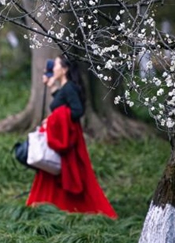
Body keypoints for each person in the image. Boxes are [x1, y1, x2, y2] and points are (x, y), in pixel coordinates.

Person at [27, 55, 117, 219]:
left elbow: (77, 111)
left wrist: (53, 119)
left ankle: (78, 206)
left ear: (64, 69)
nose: (53, 68)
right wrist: (52, 88)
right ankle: (58, 206)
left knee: (71, 172)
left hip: (69, 139)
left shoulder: (70, 88)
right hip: (65, 135)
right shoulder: (65, 88)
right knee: (59, 171)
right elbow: (61, 104)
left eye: (55, 65)